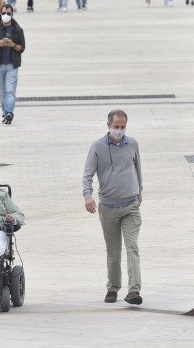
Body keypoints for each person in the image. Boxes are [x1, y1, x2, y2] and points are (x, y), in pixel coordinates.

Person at [82, 109, 144, 305]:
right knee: (113, 251)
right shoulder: (97, 146)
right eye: (116, 127)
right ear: (108, 125)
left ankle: (134, 290)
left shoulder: (132, 144)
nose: (119, 130)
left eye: (123, 127)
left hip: (131, 205)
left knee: (132, 247)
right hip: (108, 207)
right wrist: (87, 196)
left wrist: (139, 190)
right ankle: (113, 288)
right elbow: (87, 173)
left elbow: (138, 168)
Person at [0, 4, 25, 124]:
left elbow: (21, 48)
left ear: (12, 15)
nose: (6, 16)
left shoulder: (18, 30)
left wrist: (12, 45)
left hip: (12, 65)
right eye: (3, 13)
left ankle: (9, 112)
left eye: (8, 13)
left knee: (10, 91)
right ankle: (5, 113)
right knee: (2, 93)